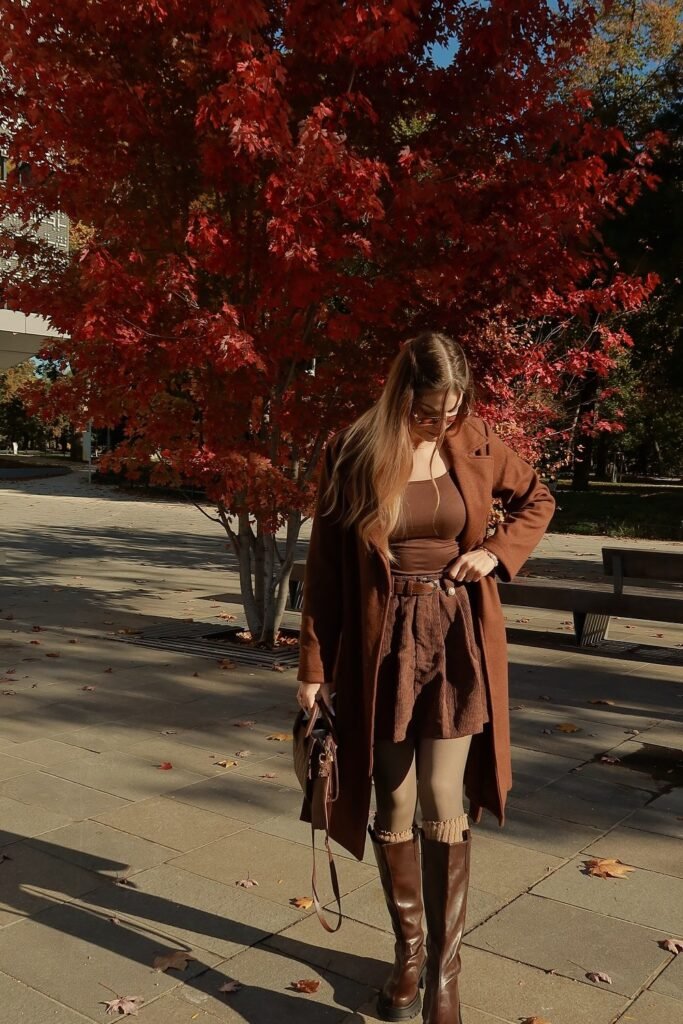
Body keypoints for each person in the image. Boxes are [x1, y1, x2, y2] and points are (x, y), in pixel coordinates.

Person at [295, 331, 555, 1024]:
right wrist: (313, 669)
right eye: (428, 411)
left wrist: (494, 555)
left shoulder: (473, 442)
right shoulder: (352, 451)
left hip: (454, 639)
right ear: (399, 395)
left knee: (444, 796)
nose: (442, 422)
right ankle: (408, 951)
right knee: (395, 800)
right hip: (381, 648)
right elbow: (323, 573)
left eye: (451, 408)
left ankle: (444, 972)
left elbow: (537, 499)